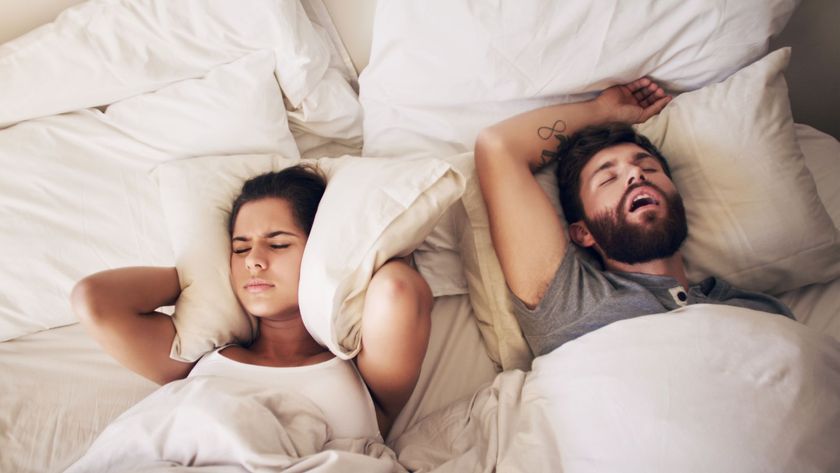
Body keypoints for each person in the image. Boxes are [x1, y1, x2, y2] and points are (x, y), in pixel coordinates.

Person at [71, 164, 433, 440]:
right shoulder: (190, 361)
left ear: (320, 251)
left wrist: (340, 267)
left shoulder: (366, 375)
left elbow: (398, 290)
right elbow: (95, 300)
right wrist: (199, 279)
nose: (252, 261)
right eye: (240, 248)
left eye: (278, 244)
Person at [474, 78, 794, 357]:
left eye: (648, 167)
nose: (635, 173)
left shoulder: (757, 310)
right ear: (583, 232)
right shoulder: (570, 302)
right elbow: (499, 147)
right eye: (608, 178)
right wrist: (602, 111)